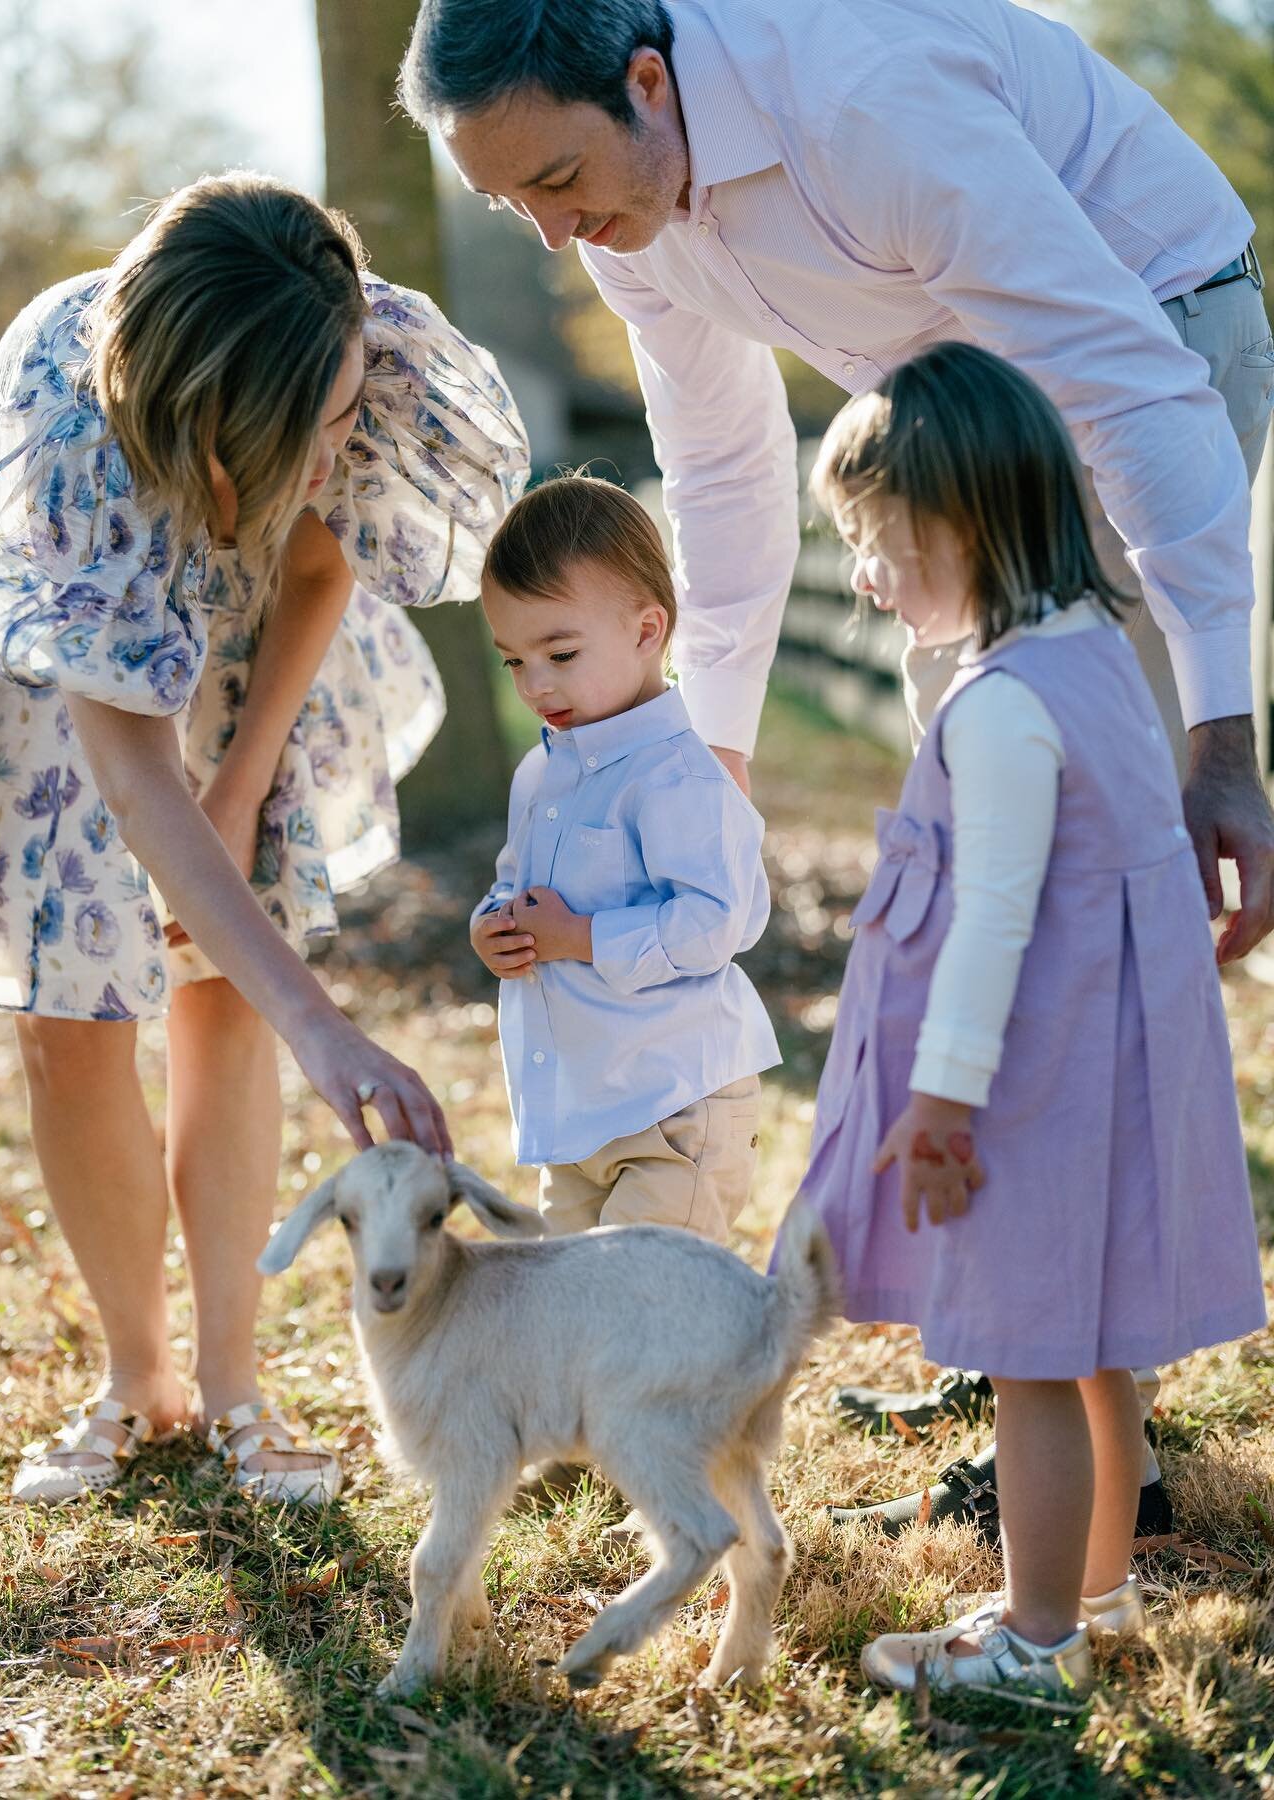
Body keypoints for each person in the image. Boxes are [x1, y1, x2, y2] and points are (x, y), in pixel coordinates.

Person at [399, 0, 1274, 1535]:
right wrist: (706, 763)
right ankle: (1017, 1359)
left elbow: (1134, 387)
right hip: (958, 419)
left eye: (554, 179)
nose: (553, 236)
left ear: (649, 81)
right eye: (510, 204)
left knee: (1065, 925)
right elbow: (726, 475)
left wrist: (1220, 738)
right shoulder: (623, 198)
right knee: (966, 874)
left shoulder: (862, 99)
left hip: (1147, 330)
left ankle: (1103, 1469)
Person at [0, 172, 528, 1506]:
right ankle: (135, 1381)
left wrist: (247, 777)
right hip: (44, 643)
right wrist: (333, 1024)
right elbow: (128, 764)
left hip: (239, 623)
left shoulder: (332, 339)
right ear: (205, 421)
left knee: (224, 987)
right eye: (307, 435)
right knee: (72, 1009)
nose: (331, 453)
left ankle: (231, 1388)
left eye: (340, 422)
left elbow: (320, 559)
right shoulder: (72, 442)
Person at [768, 342, 1266, 1695]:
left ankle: (1037, 1641)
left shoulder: (997, 710)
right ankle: (1091, 1601)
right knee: (1099, 1352)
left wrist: (941, 1099)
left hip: (1032, 1090)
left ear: (968, 528)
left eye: (879, 544)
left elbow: (993, 923)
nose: (867, 579)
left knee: (1032, 1363)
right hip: (1110, 1075)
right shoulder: (1099, 651)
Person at [470, 474, 778, 1244]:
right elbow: (517, 886)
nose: (534, 685)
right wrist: (493, 927)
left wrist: (581, 938)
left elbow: (718, 923)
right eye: (512, 662)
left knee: (648, 1314)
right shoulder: (543, 773)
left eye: (560, 653)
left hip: (673, 1107)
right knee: (576, 1317)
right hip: (579, 1105)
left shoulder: (678, 776)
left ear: (647, 631)